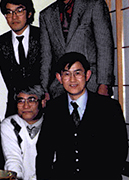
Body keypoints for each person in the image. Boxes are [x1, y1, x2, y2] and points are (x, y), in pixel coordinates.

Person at [36, 52, 127, 180]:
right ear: (59, 78)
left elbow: (119, 150)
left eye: (77, 73)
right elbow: (44, 153)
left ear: (87, 75)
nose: (72, 79)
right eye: (67, 74)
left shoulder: (108, 107)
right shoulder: (53, 108)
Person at [39, 0, 114, 100]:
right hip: (60, 86)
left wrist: (104, 84)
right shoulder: (46, 15)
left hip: (92, 83)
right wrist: (45, 89)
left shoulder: (94, 5)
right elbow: (46, 56)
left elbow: (105, 47)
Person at [0, 0, 41, 117]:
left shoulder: (42, 36)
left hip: (42, 104)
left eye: (19, 11)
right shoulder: (0, 42)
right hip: (15, 106)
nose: (14, 17)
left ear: (29, 13)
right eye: (9, 12)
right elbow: (9, 81)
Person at [0, 85, 45, 180]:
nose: (26, 106)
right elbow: (12, 159)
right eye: (21, 101)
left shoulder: (53, 123)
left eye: (31, 100)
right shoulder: (10, 124)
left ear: (43, 102)